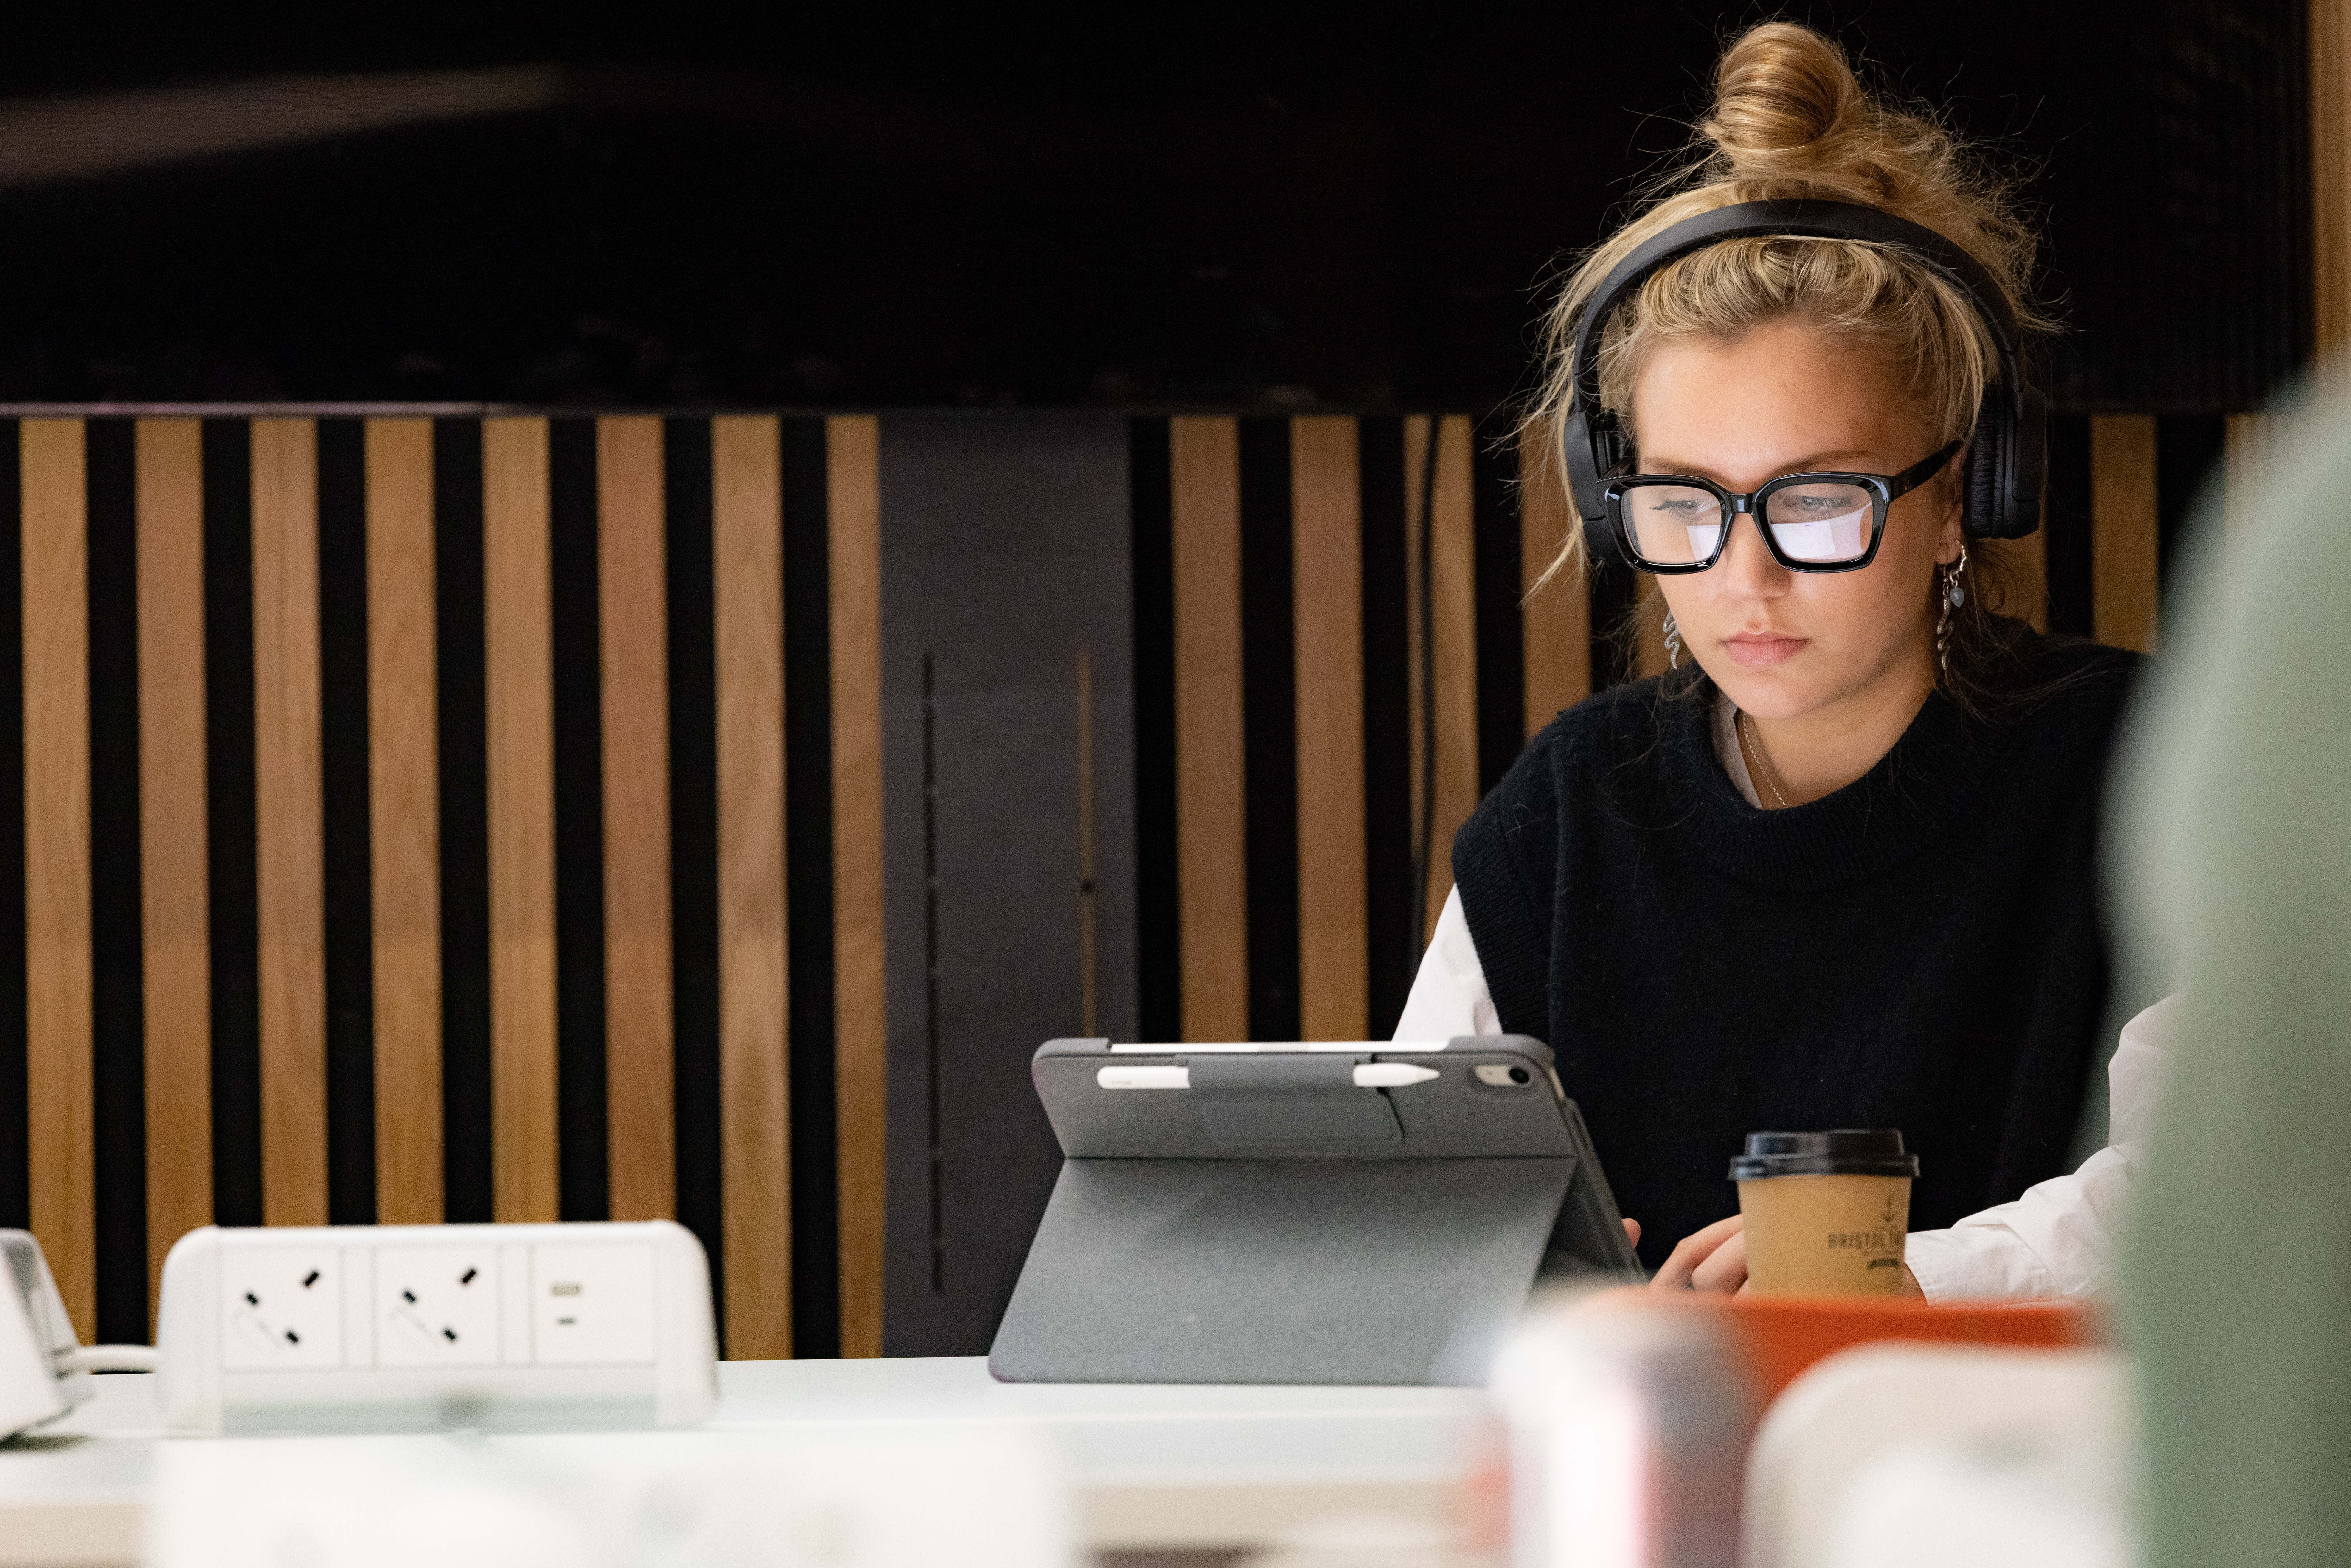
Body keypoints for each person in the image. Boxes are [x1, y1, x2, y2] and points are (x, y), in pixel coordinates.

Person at [1394, 21, 2162, 1300]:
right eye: (1685, 504)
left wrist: (1897, 1277)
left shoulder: (2148, 767)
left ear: (1959, 493)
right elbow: (1412, 1184)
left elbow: (2229, 1175)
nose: (1742, 575)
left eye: (1812, 502)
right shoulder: (1565, 812)